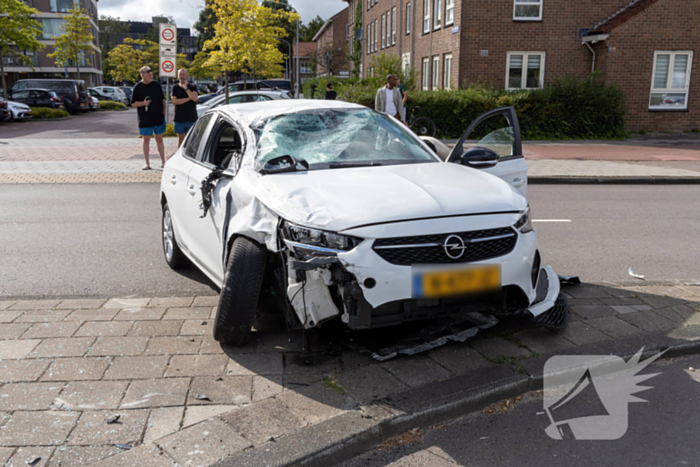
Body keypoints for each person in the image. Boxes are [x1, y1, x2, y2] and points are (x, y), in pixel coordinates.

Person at [131, 66, 166, 170]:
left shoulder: (156, 85)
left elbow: (163, 100)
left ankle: (163, 162)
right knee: (146, 139)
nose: (150, 75)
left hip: (158, 117)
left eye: (151, 73)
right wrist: (143, 103)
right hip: (145, 118)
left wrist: (164, 112)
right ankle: (147, 163)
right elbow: (133, 103)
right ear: (142, 75)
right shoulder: (138, 87)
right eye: (148, 74)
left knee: (159, 139)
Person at [171, 68, 199, 148]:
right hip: (179, 118)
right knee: (181, 140)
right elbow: (174, 101)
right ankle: (179, 157)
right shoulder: (175, 87)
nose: (182, 76)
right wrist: (188, 98)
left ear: (187, 76)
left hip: (191, 118)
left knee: (193, 140)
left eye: (183, 74)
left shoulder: (192, 86)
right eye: (180, 74)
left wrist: (186, 88)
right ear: (177, 76)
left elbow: (194, 98)